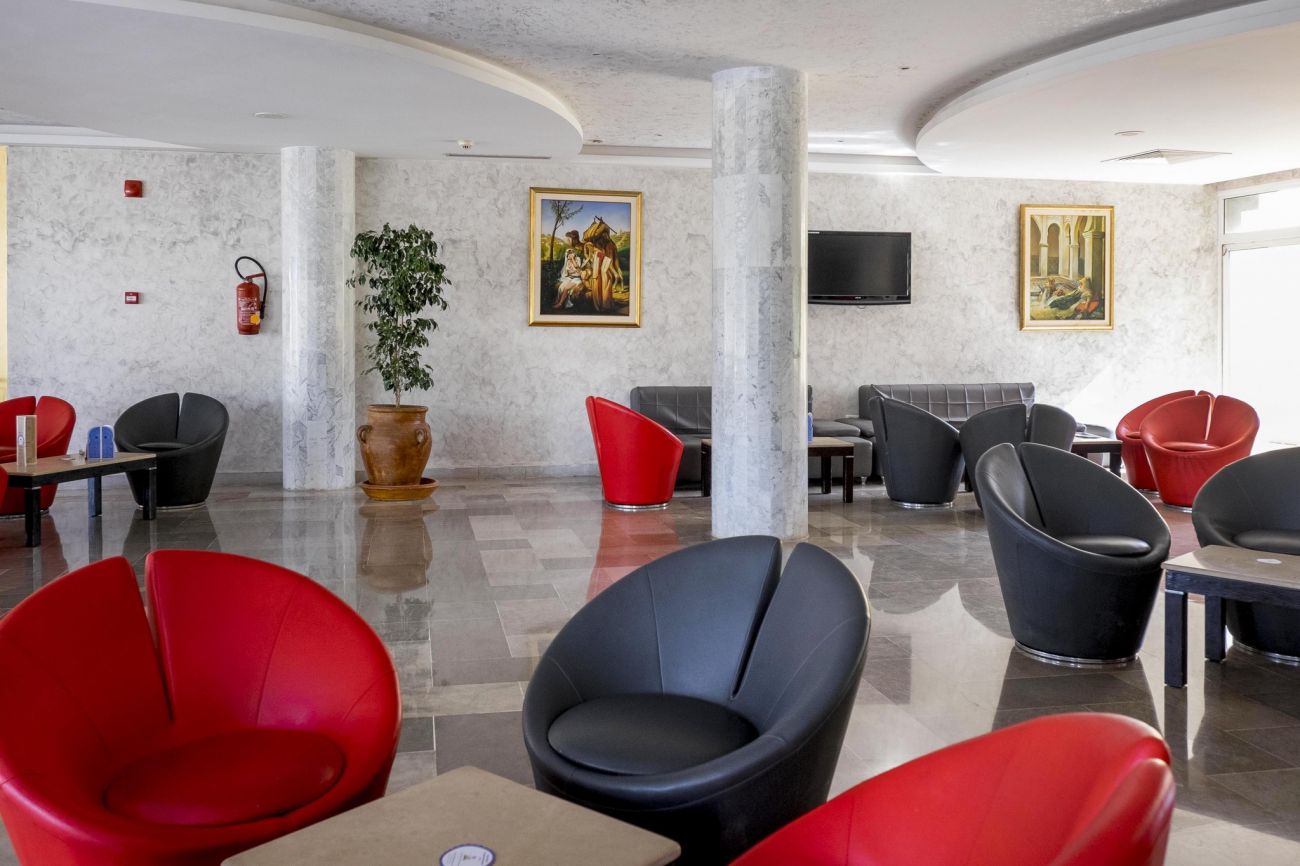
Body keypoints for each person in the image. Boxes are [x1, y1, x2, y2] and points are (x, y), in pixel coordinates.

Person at [552, 232, 586, 309]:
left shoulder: (577, 259)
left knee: (566, 288)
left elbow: (578, 269)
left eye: (571, 254)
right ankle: (558, 302)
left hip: (577, 279)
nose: (569, 256)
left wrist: (573, 260)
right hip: (571, 278)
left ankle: (560, 304)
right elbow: (569, 271)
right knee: (561, 287)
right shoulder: (569, 262)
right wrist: (572, 268)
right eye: (568, 255)